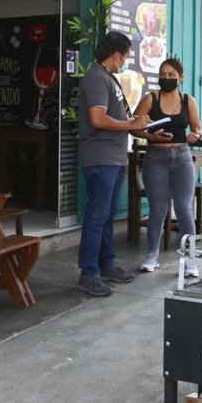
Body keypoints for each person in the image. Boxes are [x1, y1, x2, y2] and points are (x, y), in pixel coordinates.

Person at [76, 31, 152, 296]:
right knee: (97, 216)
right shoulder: (96, 77)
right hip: (100, 157)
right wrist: (131, 124)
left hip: (115, 157)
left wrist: (145, 129)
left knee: (106, 215)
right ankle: (89, 272)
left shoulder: (109, 78)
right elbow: (97, 119)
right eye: (126, 56)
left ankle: (106, 264)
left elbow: (122, 120)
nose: (126, 61)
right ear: (117, 54)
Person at [136, 58, 202, 274]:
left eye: (171, 75)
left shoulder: (188, 101)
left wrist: (196, 135)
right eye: (163, 75)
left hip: (182, 157)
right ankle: (152, 255)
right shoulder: (150, 99)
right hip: (155, 156)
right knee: (157, 209)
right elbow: (133, 127)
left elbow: (197, 128)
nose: (166, 78)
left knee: (184, 209)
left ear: (180, 77)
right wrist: (148, 134)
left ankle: (190, 261)